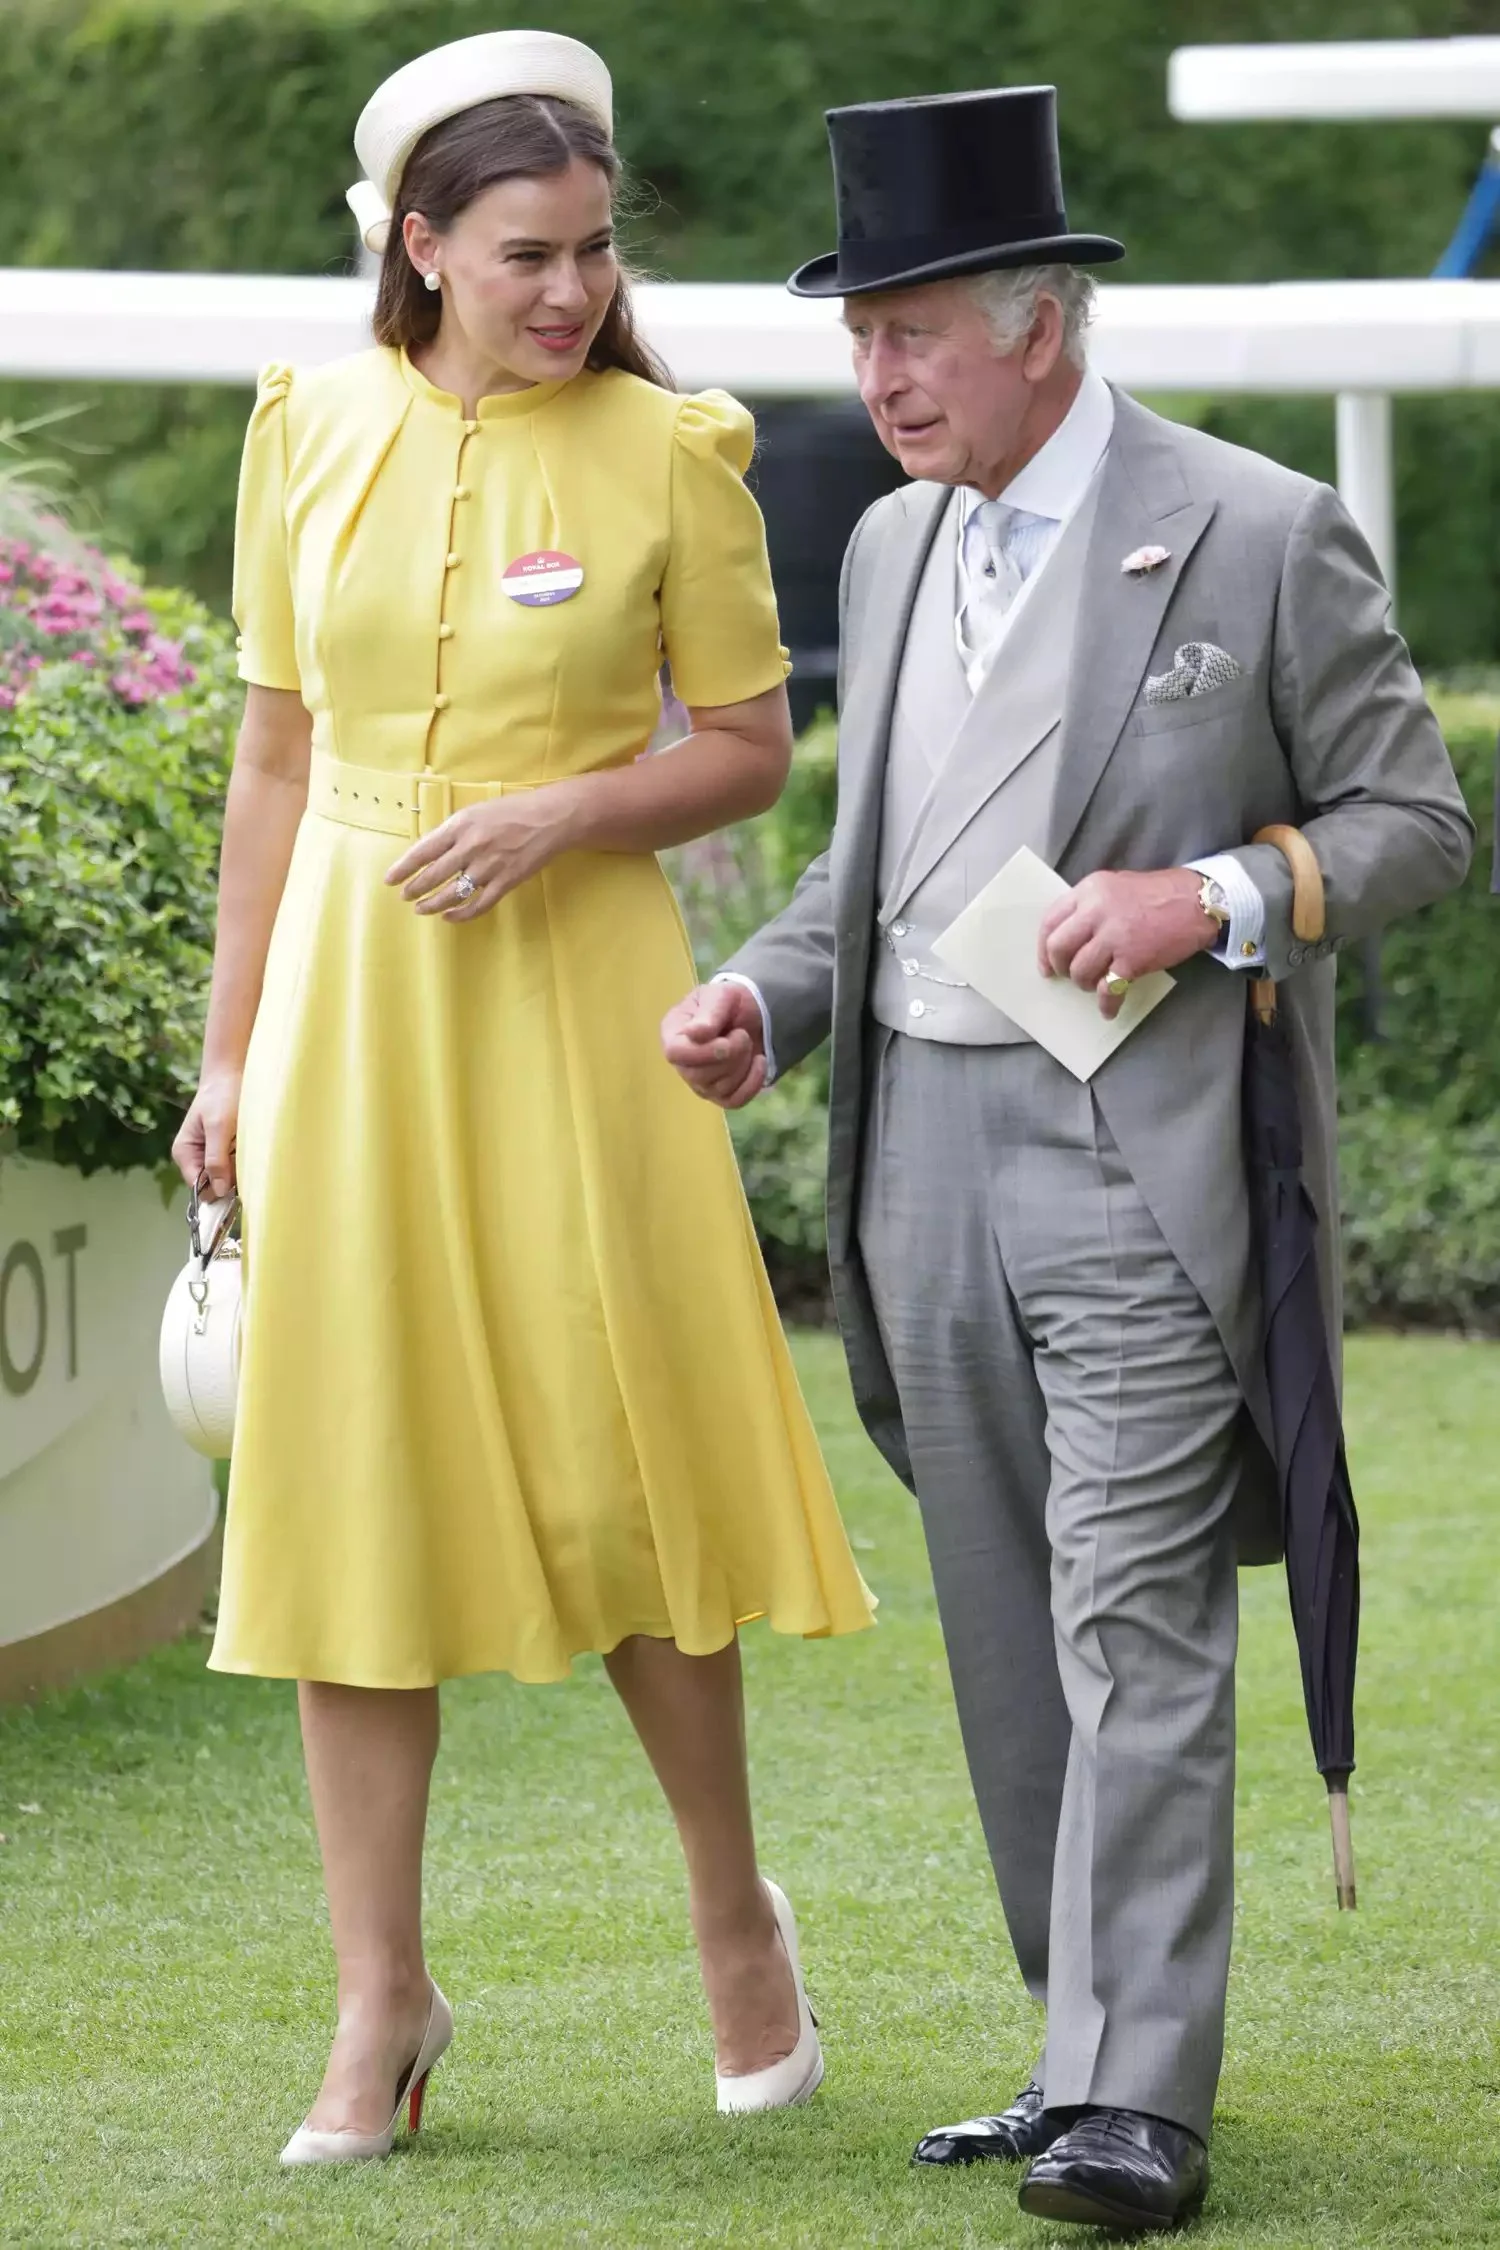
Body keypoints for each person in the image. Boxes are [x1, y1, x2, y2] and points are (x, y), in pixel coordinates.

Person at [664, 84, 1472, 2234]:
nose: (879, 377)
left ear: (1045, 321)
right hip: (914, 1149)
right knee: (1007, 1616)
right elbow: (871, 868)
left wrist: (1209, 894)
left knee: (1136, 1609)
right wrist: (764, 997)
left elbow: (1417, 824)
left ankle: (1140, 2094)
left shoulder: (1261, 527)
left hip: (1142, 1158)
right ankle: (1070, 2048)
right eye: (861, 337)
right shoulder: (885, 536)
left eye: (914, 329)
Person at [173, 28, 873, 2167]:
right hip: (350, 1017)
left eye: (590, 250)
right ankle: (380, 2004)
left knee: (628, 1464)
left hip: (587, 1001)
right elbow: (279, 761)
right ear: (421, 245)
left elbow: (750, 745)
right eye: (524, 254)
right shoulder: (306, 429)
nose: (569, 289)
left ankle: (733, 1921)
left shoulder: (677, 450)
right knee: (344, 1489)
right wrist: (225, 1054)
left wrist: (566, 817)